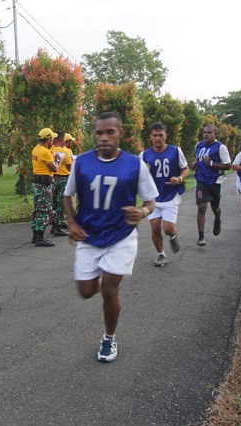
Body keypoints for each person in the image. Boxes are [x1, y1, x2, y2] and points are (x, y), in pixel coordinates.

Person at [63, 112, 158, 363]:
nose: (104, 138)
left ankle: (108, 337)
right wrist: (71, 222)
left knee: (109, 289)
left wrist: (143, 211)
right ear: (94, 134)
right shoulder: (82, 162)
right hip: (88, 235)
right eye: (99, 133)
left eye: (110, 132)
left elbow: (151, 201)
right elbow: (67, 195)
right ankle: (98, 275)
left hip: (121, 236)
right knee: (86, 292)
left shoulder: (133, 164)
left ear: (120, 134)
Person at [139, 122, 189, 266]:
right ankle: (161, 254)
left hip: (170, 196)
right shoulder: (144, 155)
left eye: (161, 135)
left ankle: (173, 236)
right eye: (155, 135)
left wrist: (179, 178)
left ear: (165, 136)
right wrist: (144, 172)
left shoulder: (175, 151)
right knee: (155, 227)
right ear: (150, 137)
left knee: (168, 229)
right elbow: (137, 177)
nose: (158, 138)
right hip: (153, 198)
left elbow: (185, 169)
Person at [190, 125, 231, 246]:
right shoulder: (199, 145)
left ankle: (217, 219)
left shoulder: (220, 147)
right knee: (202, 207)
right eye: (204, 132)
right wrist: (193, 165)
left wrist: (212, 164)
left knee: (215, 207)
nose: (206, 134)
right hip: (201, 180)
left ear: (215, 134)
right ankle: (201, 237)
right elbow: (197, 160)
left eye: (209, 132)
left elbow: (228, 165)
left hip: (215, 181)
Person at [31, 128, 59, 246]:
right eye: (52, 137)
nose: (53, 139)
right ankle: (40, 238)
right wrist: (57, 159)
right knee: (44, 209)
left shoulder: (36, 149)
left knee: (38, 209)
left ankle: (36, 234)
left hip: (37, 182)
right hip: (44, 183)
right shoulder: (45, 152)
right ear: (48, 138)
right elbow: (55, 168)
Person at [50, 131, 73, 237]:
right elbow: (69, 167)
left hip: (52, 179)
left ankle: (53, 225)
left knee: (54, 203)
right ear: (63, 140)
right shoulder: (66, 152)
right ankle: (58, 227)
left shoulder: (50, 150)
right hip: (63, 179)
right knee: (60, 204)